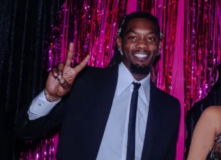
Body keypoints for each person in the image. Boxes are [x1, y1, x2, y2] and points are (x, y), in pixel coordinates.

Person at [16, 12, 181, 160]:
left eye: (150, 38)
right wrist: (51, 97)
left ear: (159, 47)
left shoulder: (168, 107)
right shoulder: (83, 82)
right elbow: (26, 131)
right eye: (133, 37)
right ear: (119, 43)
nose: (142, 45)